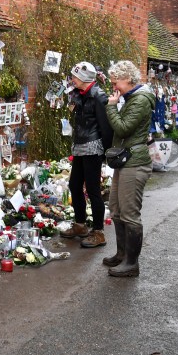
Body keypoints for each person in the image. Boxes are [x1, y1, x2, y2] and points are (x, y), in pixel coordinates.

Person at [102, 60, 155, 277]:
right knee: (116, 208)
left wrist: (112, 107)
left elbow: (123, 129)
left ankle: (132, 263)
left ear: (128, 79)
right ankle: (122, 254)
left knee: (130, 213)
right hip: (126, 161)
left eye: (116, 82)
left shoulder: (140, 100)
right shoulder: (130, 97)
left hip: (135, 163)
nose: (114, 86)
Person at [59, 61, 113, 248]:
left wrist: (105, 151)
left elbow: (105, 126)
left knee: (93, 189)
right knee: (74, 185)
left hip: (93, 146)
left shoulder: (98, 96)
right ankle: (80, 225)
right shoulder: (78, 94)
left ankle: (98, 232)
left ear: (84, 79)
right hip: (80, 145)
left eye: (75, 77)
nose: (72, 79)